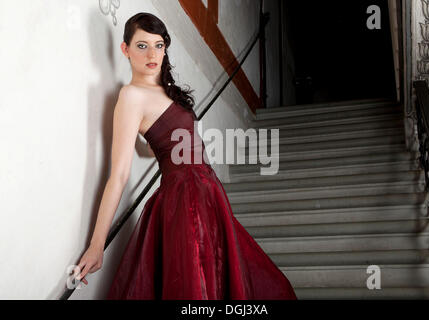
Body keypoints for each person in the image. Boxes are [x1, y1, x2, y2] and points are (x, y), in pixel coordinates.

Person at [75, 12, 297, 300]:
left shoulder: (167, 92)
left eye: (159, 45)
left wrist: (155, 144)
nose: (152, 53)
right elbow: (118, 175)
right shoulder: (131, 96)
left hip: (209, 194)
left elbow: (161, 140)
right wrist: (96, 244)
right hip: (183, 198)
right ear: (125, 49)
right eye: (142, 45)